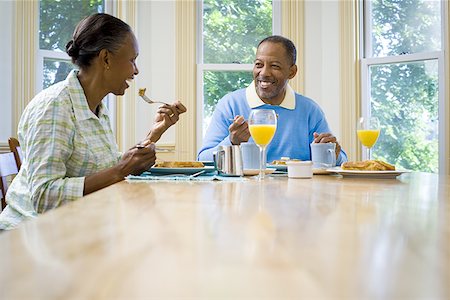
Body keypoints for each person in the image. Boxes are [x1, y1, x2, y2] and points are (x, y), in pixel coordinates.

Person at [0, 13, 186, 230]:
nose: (136, 70)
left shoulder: (96, 107)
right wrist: (122, 170)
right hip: (31, 236)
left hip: (77, 227)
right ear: (106, 58)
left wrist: (153, 135)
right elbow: (44, 196)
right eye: (132, 60)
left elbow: (105, 167)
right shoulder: (54, 108)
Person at [198, 35, 347, 164]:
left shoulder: (309, 110)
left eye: (274, 66)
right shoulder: (230, 104)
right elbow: (203, 159)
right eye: (259, 65)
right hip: (242, 193)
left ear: (292, 72)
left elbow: (341, 160)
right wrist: (231, 142)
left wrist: (333, 153)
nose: (264, 73)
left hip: (297, 192)